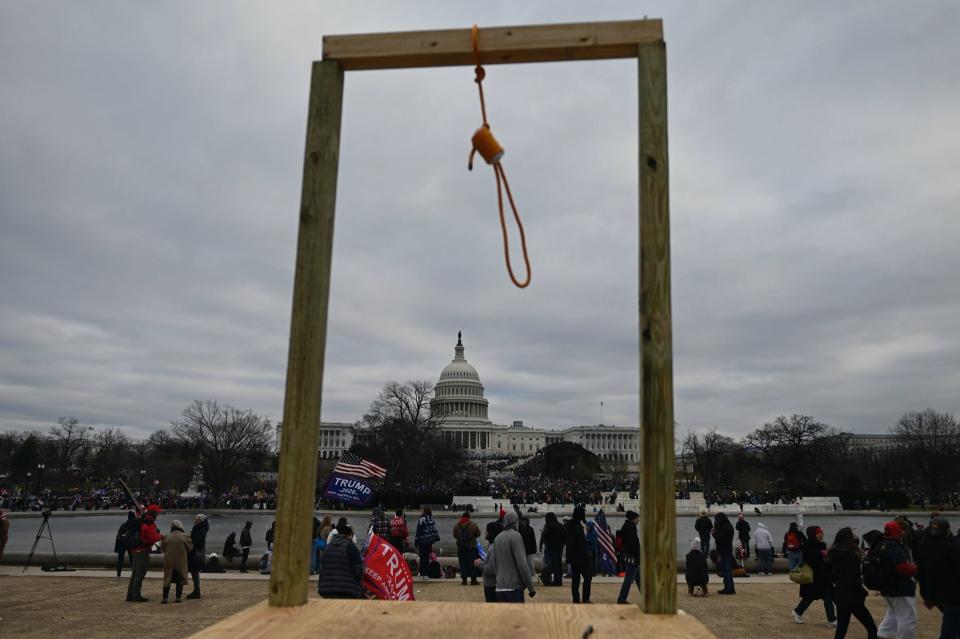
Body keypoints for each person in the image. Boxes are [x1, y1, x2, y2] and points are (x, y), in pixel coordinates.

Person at [828, 527, 878, 639]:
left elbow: (830, 575)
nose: (855, 536)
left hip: (840, 595)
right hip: (853, 596)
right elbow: (853, 579)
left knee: (841, 629)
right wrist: (862, 593)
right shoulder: (851, 556)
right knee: (871, 628)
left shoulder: (832, 554)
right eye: (853, 534)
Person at [874, 520, 918, 639]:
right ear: (897, 532)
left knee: (893, 614)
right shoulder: (894, 546)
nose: (902, 533)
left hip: (888, 587)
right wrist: (915, 569)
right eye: (901, 531)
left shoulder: (880, 544)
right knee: (907, 618)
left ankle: (882, 634)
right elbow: (902, 567)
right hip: (900, 588)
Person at [917, 517, 960, 639]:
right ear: (947, 530)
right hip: (953, 595)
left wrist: (926, 596)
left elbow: (921, 573)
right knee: (949, 630)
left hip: (934, 594)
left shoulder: (924, 546)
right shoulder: (952, 547)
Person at [792, 526, 837, 626]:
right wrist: (820, 553)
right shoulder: (807, 545)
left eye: (821, 533)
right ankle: (798, 612)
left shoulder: (823, 544)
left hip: (823, 577)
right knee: (809, 597)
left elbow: (825, 561)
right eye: (819, 533)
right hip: (813, 577)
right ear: (813, 535)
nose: (821, 535)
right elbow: (808, 557)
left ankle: (832, 620)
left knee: (828, 598)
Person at [491, 511, 536, 603]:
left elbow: (494, 564)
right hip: (513, 587)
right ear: (516, 521)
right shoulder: (516, 536)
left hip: (499, 587)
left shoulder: (497, 538)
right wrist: (531, 588)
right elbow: (522, 564)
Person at [317, 523, 364, 599]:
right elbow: (358, 571)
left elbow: (322, 569)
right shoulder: (350, 547)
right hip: (347, 590)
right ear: (349, 535)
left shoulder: (327, 547)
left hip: (326, 589)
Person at [126, 504, 163, 602]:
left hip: (135, 550)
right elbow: (153, 538)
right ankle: (136, 595)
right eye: (157, 513)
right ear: (154, 513)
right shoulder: (150, 523)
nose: (158, 514)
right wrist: (161, 536)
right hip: (143, 551)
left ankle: (130, 594)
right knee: (140, 574)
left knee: (134, 573)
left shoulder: (142, 520)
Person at [160, 520, 193, 604]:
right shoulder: (184, 536)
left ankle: (165, 597)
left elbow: (163, 548)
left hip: (169, 560)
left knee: (167, 578)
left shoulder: (167, 536)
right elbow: (190, 548)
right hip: (180, 560)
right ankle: (178, 597)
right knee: (180, 578)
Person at [565, 505, 592, 604]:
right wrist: (586, 556)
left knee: (575, 579)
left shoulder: (569, 525)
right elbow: (581, 544)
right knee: (587, 577)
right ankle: (585, 598)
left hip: (572, 558)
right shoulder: (577, 527)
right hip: (581, 557)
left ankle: (576, 599)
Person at [617, 510, 642, 604]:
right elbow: (633, 545)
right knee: (628, 581)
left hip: (632, 557)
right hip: (633, 558)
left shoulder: (628, 527)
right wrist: (637, 556)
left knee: (639, 579)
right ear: (633, 519)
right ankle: (621, 599)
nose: (639, 520)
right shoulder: (630, 528)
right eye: (637, 518)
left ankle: (648, 598)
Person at [453, 511, 481, 585]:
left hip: (461, 548)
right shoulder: (473, 525)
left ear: (462, 517)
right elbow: (479, 533)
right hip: (471, 547)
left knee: (462, 564)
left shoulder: (457, 525)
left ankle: (464, 580)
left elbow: (455, 535)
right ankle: (473, 580)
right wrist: (472, 537)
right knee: (472, 564)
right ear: (469, 517)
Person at [185, 514, 208, 599]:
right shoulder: (200, 528)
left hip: (195, 555)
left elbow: (198, 542)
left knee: (195, 573)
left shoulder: (200, 529)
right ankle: (196, 590)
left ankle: (197, 591)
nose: (194, 520)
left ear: (200, 520)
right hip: (195, 554)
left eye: (196, 519)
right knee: (195, 573)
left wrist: (190, 540)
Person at [539, 512, 565, 586]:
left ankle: (551, 580)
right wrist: (562, 545)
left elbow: (544, 536)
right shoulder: (561, 525)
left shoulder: (549, 526)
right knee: (559, 564)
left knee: (552, 565)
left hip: (551, 548)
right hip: (559, 548)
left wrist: (541, 545)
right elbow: (565, 537)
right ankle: (559, 580)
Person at [713, 512, 736, 595]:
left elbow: (720, 539)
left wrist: (713, 533)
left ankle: (728, 588)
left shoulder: (723, 527)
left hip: (723, 550)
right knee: (728, 570)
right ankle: (730, 587)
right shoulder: (729, 525)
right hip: (728, 549)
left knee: (726, 570)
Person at [414, 507, 440, 578]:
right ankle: (425, 573)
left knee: (422, 558)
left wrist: (416, 541)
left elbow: (418, 530)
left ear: (424, 511)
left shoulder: (421, 519)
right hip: (429, 542)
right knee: (427, 558)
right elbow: (433, 530)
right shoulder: (431, 519)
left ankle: (422, 573)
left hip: (422, 542)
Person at [114, 511, 137, 577]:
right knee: (132, 559)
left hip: (121, 543)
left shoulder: (123, 525)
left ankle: (118, 574)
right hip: (128, 543)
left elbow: (118, 535)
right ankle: (134, 574)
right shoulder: (133, 525)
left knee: (120, 559)